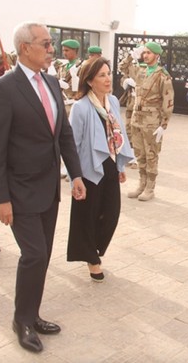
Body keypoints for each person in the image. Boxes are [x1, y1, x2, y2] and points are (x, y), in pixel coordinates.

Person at [0, 21, 86, 353]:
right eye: (46, 43)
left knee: (41, 257)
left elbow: (64, 135)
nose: (51, 49)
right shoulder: (4, 88)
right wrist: (0, 198)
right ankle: (21, 320)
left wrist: (77, 175)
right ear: (25, 47)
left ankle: (33, 313)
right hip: (18, 190)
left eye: (52, 44)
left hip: (48, 189)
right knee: (34, 254)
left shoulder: (53, 83)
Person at [67, 57, 133, 281]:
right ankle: (91, 259)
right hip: (89, 168)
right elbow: (72, 145)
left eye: (108, 73)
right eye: (102, 75)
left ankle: (93, 250)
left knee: (111, 213)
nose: (108, 79)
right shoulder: (81, 107)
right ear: (90, 80)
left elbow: (118, 133)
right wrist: (74, 177)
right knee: (88, 215)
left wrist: (120, 164)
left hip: (111, 163)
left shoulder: (112, 101)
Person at [119, 41, 174, 201]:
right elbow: (123, 68)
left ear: (156, 56)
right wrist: (131, 56)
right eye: (144, 52)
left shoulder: (163, 76)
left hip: (152, 121)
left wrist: (163, 125)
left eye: (148, 53)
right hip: (137, 119)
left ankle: (150, 187)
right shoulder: (140, 70)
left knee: (151, 154)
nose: (145, 55)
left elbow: (168, 101)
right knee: (140, 153)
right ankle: (141, 184)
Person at [57, 39, 81, 116]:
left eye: (67, 50)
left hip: (74, 104)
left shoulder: (81, 67)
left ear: (75, 51)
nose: (64, 53)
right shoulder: (62, 67)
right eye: (63, 50)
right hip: (62, 104)